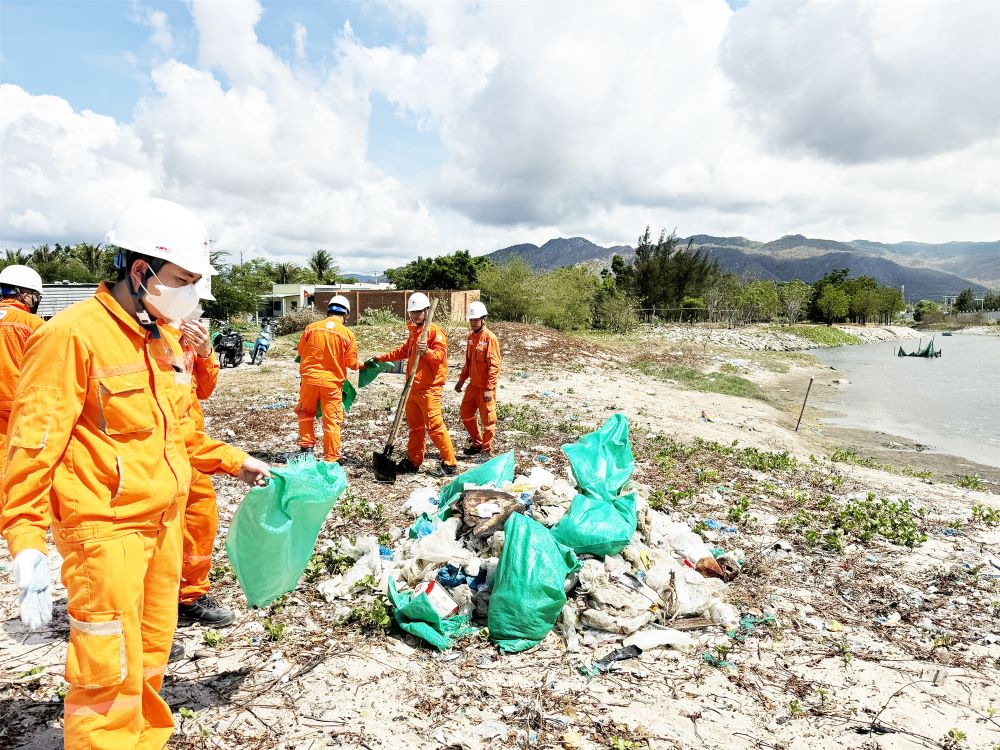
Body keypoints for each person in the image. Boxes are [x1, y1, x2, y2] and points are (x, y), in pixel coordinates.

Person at [0, 198, 270, 750]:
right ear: (141, 270)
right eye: (182, 279)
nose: (190, 292)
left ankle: (143, 739)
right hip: (106, 532)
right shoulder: (70, 336)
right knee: (107, 666)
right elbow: (32, 448)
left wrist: (236, 462)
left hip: (163, 525)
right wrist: (26, 543)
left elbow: (180, 433)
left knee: (149, 651)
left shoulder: (161, 339)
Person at [162, 278, 237, 627]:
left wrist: (207, 354)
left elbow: (202, 391)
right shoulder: (152, 339)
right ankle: (157, 609)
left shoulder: (186, 342)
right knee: (163, 530)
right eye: (196, 303)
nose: (200, 311)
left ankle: (190, 595)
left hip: (191, 447)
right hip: (161, 451)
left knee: (200, 520)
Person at [372, 292, 457, 476]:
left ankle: (449, 463)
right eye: (413, 312)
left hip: (429, 389)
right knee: (415, 428)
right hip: (412, 387)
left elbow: (441, 357)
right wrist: (381, 357)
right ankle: (413, 461)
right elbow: (403, 351)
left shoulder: (434, 332)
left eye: (419, 312)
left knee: (434, 427)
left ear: (427, 311)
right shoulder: (415, 332)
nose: (415, 315)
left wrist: (426, 351)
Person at [295, 295, 359, 463]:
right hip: (331, 384)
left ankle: (306, 448)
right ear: (345, 315)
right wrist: (363, 365)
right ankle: (332, 457)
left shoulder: (311, 328)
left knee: (305, 413)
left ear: (329, 310)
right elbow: (352, 363)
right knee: (331, 420)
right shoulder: (347, 334)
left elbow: (301, 351)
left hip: (309, 380)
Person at [0, 265, 45, 475]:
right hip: (18, 405)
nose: (36, 302)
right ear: (24, 294)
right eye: (35, 296)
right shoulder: (32, 324)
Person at [455, 301, 501, 456]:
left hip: (485, 388)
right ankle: (477, 443)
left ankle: (486, 451)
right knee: (465, 414)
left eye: (476, 320)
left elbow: (494, 366)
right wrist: (461, 381)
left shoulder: (490, 338)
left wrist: (489, 389)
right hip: (473, 386)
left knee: (488, 421)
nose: (473, 323)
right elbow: (468, 363)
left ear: (483, 319)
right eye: (471, 320)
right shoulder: (470, 338)